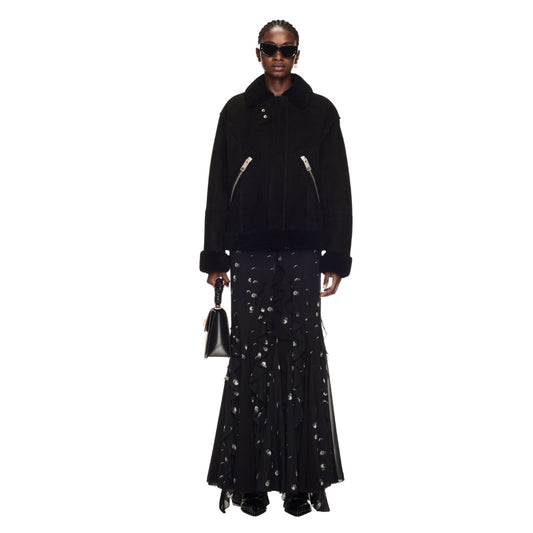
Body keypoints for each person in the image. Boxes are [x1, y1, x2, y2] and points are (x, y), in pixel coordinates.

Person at [199, 19, 353, 517]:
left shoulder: (320, 112)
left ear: (297, 54)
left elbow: (338, 188)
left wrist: (336, 257)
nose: (278, 57)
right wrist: (215, 257)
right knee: (252, 362)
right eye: (270, 48)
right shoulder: (236, 112)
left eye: (286, 49)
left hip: (304, 255)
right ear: (259, 53)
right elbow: (218, 185)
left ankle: (299, 483)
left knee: (301, 360)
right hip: (249, 255)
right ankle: (250, 482)